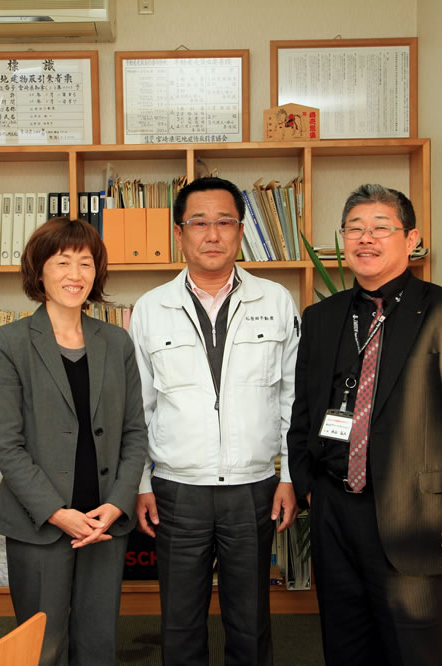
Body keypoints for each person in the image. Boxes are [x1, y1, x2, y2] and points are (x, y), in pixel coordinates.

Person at [287, 184, 442, 665]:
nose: (366, 239)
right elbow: (304, 412)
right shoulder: (321, 318)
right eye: (355, 229)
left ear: (411, 239)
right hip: (335, 513)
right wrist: (308, 486)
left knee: (414, 652)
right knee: (345, 649)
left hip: (416, 516)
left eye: (381, 228)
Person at [130, 176, 300, 665]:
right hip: (177, 490)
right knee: (180, 622)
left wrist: (288, 476)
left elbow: (292, 399)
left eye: (224, 222)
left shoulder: (275, 300)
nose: (212, 234)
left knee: (250, 620)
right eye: (198, 222)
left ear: (241, 231)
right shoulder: (151, 308)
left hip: (253, 488)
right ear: (179, 233)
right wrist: (142, 482)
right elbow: (138, 407)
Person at [0, 217, 149, 666]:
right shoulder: (9, 343)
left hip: (104, 522)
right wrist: (57, 513)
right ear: (39, 272)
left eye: (85, 263)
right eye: (62, 262)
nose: (75, 274)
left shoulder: (116, 342)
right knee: (43, 648)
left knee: (98, 644)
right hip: (40, 525)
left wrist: (117, 505)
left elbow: (135, 431)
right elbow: (7, 445)